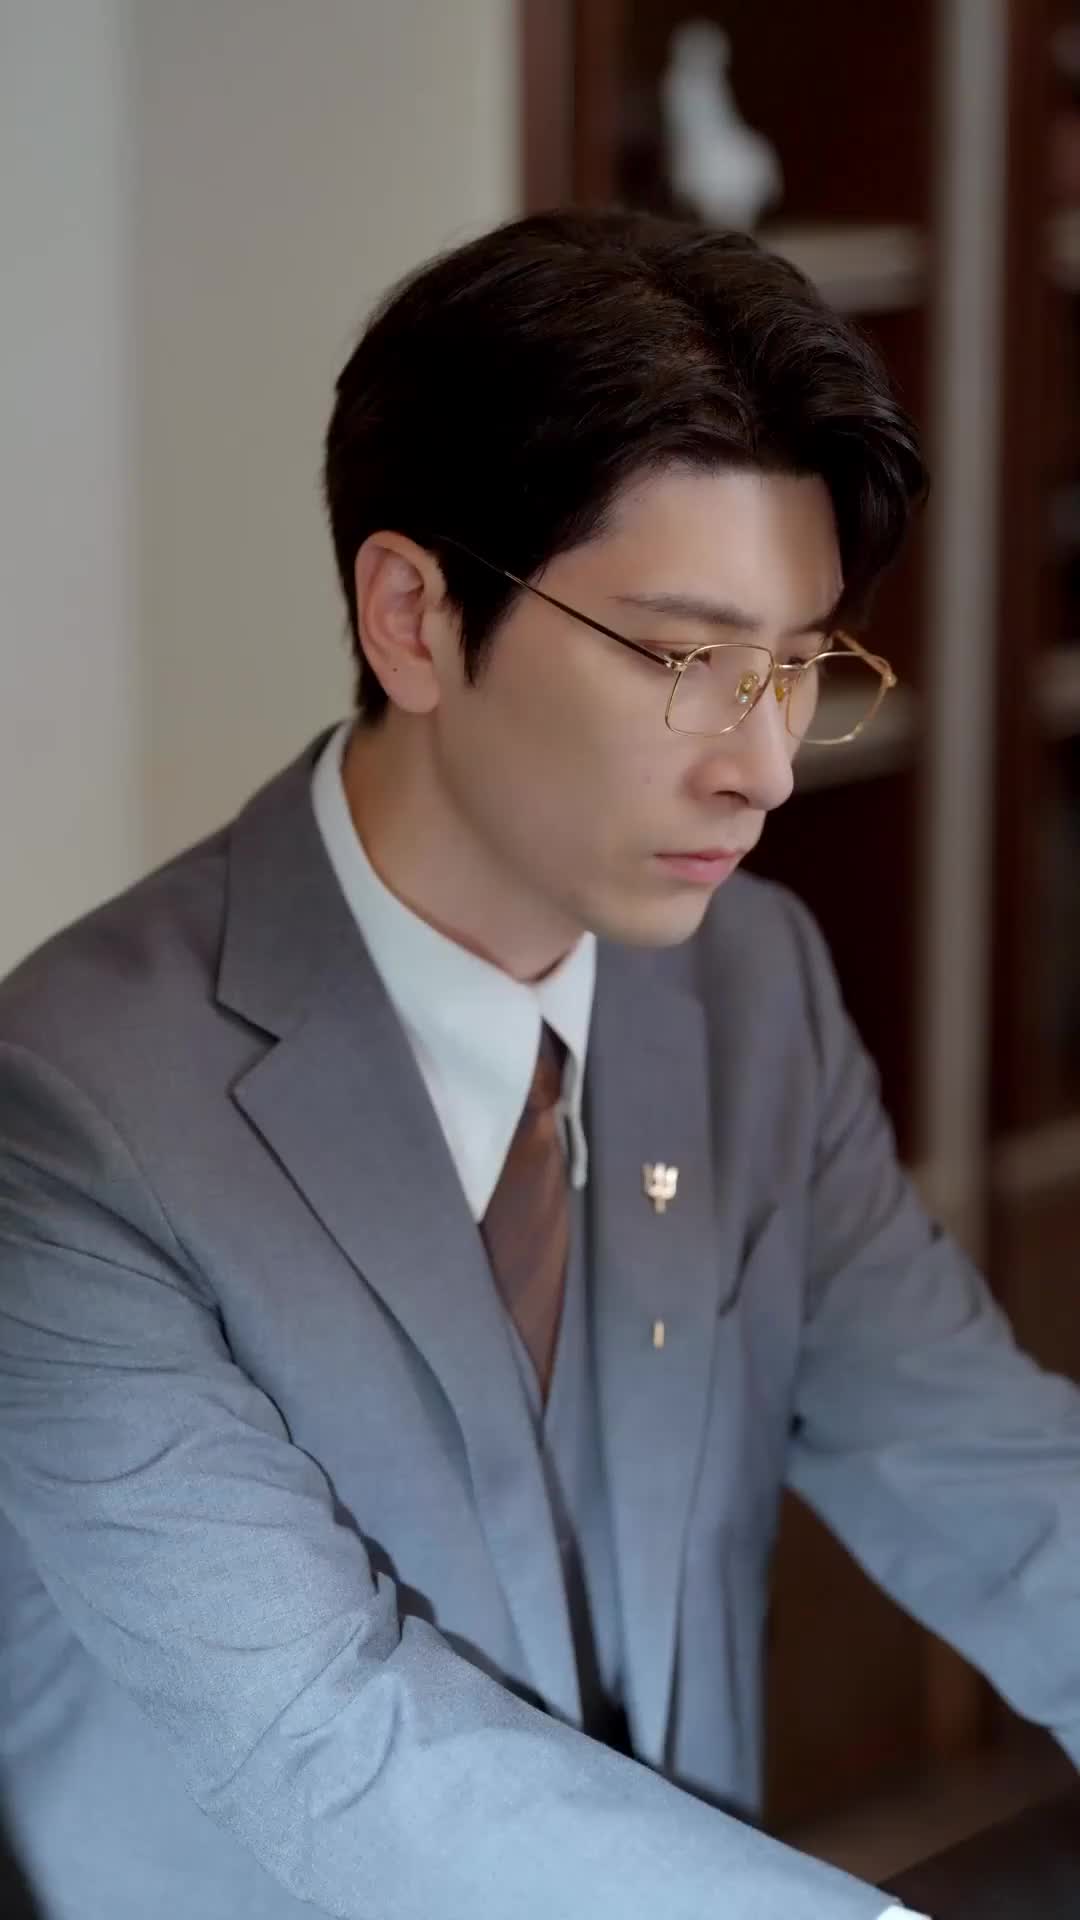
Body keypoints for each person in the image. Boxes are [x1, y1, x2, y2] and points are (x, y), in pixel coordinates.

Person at [0, 208, 1076, 1920]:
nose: (765, 769)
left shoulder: (753, 990)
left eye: (801, 666)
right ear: (415, 617)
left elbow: (983, 1471)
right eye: (687, 660)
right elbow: (327, 1736)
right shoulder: (66, 1110)